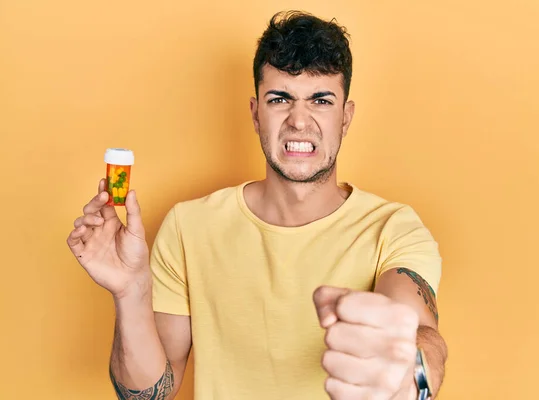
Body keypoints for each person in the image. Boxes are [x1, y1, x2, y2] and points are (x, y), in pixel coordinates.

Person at [67, 10, 448, 400]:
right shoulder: (188, 227)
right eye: (280, 99)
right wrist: (129, 291)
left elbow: (420, 333)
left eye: (321, 100)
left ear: (346, 118)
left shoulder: (393, 228)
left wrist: (411, 374)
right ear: (255, 113)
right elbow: (150, 394)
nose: (299, 121)